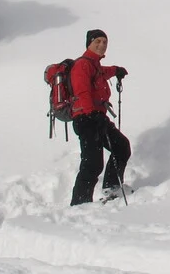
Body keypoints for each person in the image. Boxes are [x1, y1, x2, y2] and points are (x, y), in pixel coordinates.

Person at [69, 29, 131, 206]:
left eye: (104, 42)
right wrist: (91, 113)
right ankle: (79, 204)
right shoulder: (83, 64)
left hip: (97, 117)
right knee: (93, 163)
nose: (102, 45)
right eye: (97, 41)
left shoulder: (94, 64)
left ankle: (112, 188)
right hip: (86, 119)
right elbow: (82, 91)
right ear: (89, 43)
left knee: (121, 147)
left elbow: (103, 72)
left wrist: (116, 70)